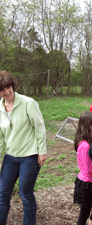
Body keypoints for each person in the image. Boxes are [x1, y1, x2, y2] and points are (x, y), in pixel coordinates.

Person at [0, 71, 47, 225]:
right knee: (2, 194)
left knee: (25, 194)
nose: (7, 92)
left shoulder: (28, 102)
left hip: (30, 156)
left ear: (12, 85)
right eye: (2, 89)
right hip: (10, 156)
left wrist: (42, 151)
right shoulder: (0, 108)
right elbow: (1, 136)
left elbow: (39, 127)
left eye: (8, 87)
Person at [73, 111, 92, 225]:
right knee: (84, 213)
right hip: (87, 184)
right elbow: (89, 169)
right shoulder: (84, 145)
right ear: (88, 126)